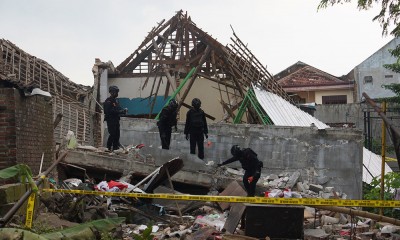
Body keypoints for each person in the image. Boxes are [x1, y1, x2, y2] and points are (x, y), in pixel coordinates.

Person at [103, 85, 127, 151]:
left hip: (116, 120)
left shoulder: (116, 101)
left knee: (117, 134)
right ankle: (108, 147)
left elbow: (118, 109)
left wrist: (123, 111)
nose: (117, 94)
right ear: (112, 92)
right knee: (112, 134)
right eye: (116, 92)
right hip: (111, 120)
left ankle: (115, 147)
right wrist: (119, 111)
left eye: (117, 92)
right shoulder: (108, 101)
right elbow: (108, 111)